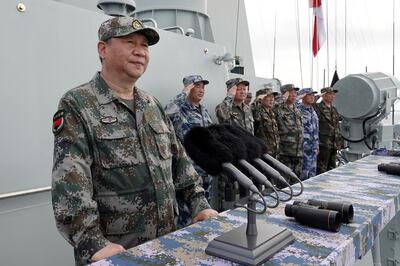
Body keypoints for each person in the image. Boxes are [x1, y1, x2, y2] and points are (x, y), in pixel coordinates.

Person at [51, 17, 217, 265]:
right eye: (130, 42)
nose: (140, 52)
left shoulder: (152, 105)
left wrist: (199, 205)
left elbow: (179, 162)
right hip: (117, 253)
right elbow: (70, 183)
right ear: (103, 49)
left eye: (145, 45)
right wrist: (93, 243)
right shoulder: (78, 104)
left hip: (167, 245)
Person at [164, 75, 214, 226]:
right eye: (197, 86)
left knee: (205, 210)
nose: (201, 90)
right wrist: (184, 93)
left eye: (203, 87)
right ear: (188, 88)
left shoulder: (204, 111)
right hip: (187, 172)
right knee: (185, 213)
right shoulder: (180, 110)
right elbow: (166, 113)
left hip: (206, 169)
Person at [273, 84, 304, 178]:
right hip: (285, 152)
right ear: (284, 94)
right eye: (290, 92)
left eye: (295, 92)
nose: (294, 95)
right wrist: (282, 98)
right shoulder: (278, 108)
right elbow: (272, 107)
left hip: (298, 151)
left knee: (296, 180)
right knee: (284, 182)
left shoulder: (296, 109)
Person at [313, 87, 342, 174]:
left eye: (333, 94)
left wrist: (339, 142)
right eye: (330, 94)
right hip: (323, 144)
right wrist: (318, 96)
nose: (333, 96)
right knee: (321, 170)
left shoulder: (334, 109)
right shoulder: (318, 107)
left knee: (332, 169)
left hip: (333, 144)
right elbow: (309, 103)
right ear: (324, 95)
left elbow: (337, 126)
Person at [297, 88, 319, 180]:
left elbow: (316, 129)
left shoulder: (313, 110)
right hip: (303, 147)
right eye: (309, 95)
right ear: (303, 96)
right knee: (303, 174)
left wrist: (317, 145)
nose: (312, 97)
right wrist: (298, 97)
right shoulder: (298, 109)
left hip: (313, 148)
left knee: (312, 174)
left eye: (313, 95)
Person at [253, 86, 280, 158]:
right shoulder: (257, 111)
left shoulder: (272, 112)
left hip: (275, 151)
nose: (272, 99)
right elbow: (254, 111)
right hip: (264, 152)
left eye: (273, 97)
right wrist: (258, 100)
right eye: (268, 96)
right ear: (261, 99)